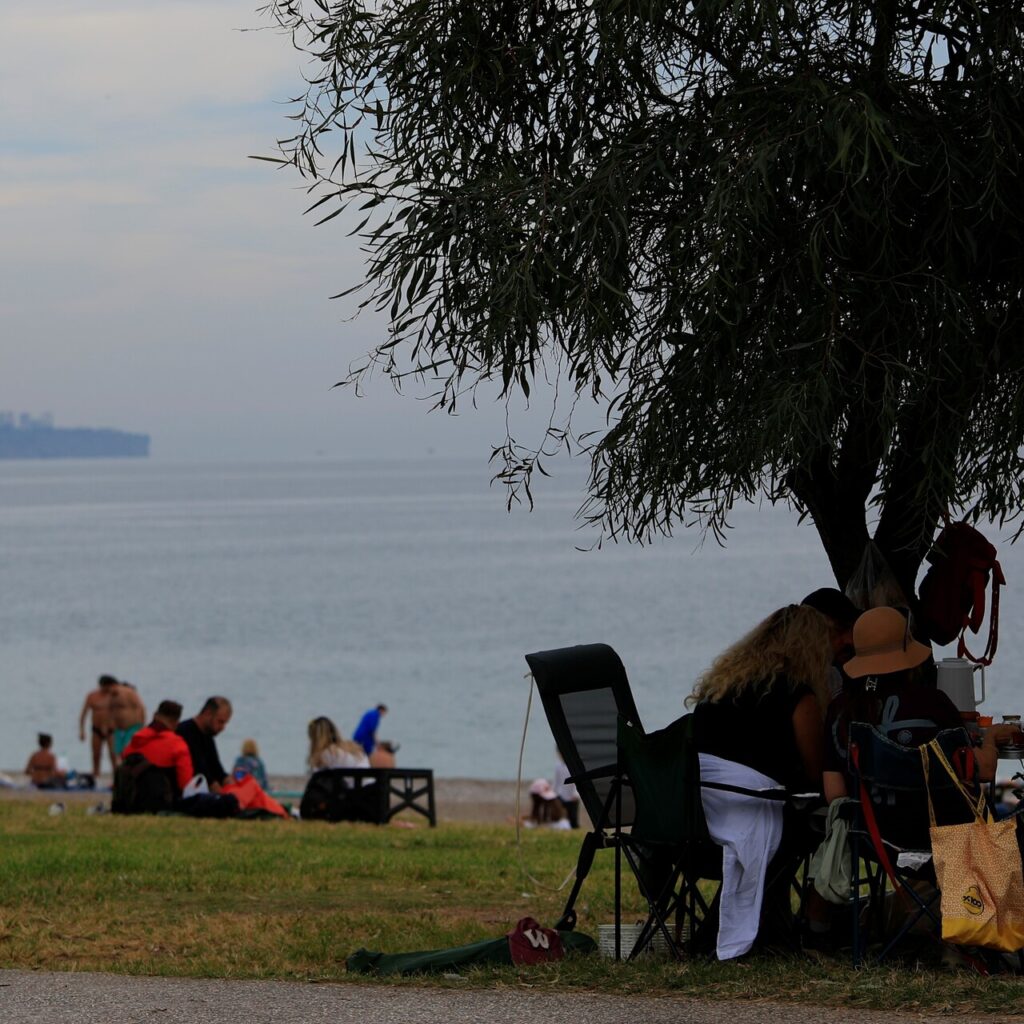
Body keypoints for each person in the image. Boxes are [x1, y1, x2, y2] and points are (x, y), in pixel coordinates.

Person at [688, 604, 832, 960]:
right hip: (748, 812)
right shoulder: (798, 696)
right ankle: (806, 928)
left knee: (790, 823)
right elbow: (816, 773)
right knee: (814, 827)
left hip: (694, 817)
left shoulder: (719, 688)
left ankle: (758, 927)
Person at [122, 700, 239, 818]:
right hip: (165, 803)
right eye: (221, 722)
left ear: (154, 716)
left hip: (131, 802)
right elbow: (186, 786)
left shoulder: (134, 741)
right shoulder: (177, 744)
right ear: (175, 722)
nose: (223, 727)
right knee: (228, 802)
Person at [801, 588, 860, 698]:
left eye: (853, 629)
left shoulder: (869, 675)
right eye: (838, 631)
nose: (850, 640)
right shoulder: (803, 690)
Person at [177, 697, 233, 792]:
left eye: (225, 723)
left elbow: (217, 769)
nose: (223, 728)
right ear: (208, 713)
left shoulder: (207, 735)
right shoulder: (184, 732)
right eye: (220, 722)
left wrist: (229, 782)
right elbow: (199, 771)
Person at [79, 674, 117, 777]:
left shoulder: (115, 696)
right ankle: (96, 774)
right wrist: (82, 730)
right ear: (102, 685)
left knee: (113, 755)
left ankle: (116, 775)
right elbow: (84, 714)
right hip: (96, 729)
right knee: (96, 755)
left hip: (111, 729)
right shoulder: (92, 696)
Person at [111, 680, 147, 760]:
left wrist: (141, 725)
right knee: (119, 750)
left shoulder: (135, 699)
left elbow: (141, 710)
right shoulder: (116, 699)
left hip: (132, 727)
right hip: (119, 728)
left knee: (130, 749)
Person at [553, 750, 579, 829]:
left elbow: (577, 781)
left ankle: (574, 829)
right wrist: (555, 794)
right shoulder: (558, 765)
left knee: (573, 817)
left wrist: (575, 794)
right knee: (560, 816)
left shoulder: (573, 764)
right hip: (561, 795)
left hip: (572, 796)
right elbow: (556, 781)